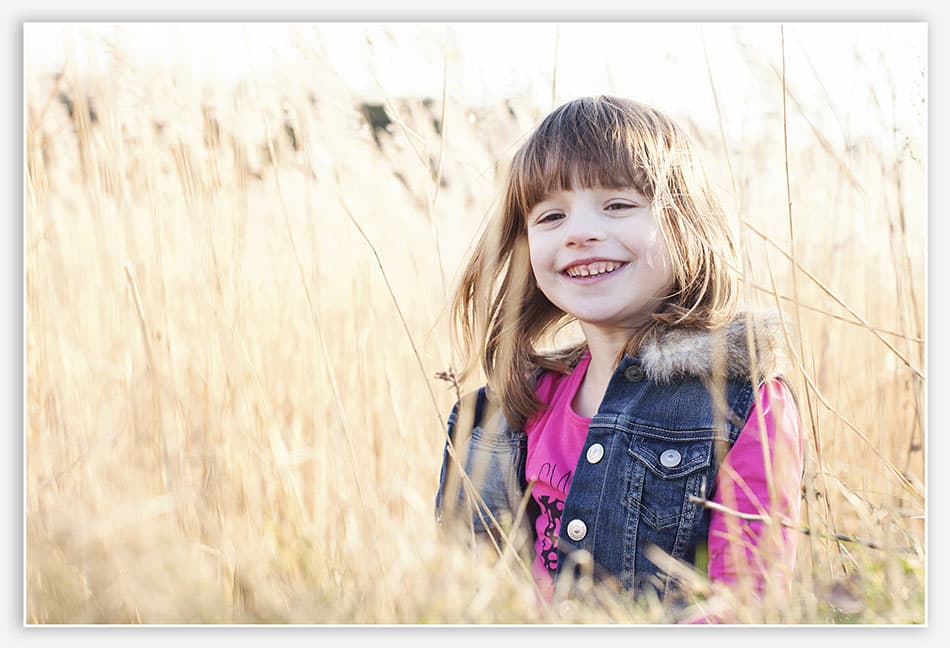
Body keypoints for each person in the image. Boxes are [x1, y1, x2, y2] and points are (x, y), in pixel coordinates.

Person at [434, 95, 804, 621]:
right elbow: (464, 593)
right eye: (552, 216)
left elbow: (748, 603)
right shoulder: (504, 413)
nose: (579, 233)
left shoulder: (741, 402)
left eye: (617, 206)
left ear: (685, 225)